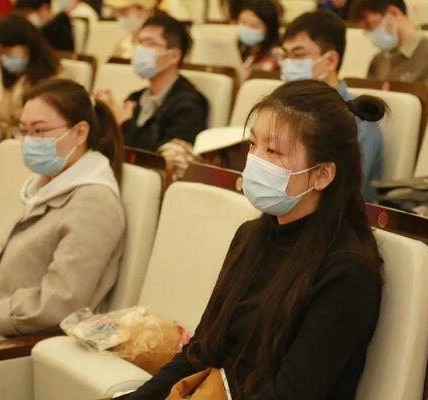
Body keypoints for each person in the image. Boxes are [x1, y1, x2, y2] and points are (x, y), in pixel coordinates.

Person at [127, 78, 383, 400]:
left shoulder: (347, 271)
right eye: (253, 145)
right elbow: (201, 351)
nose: (255, 160)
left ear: (322, 174)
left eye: (273, 151)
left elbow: (292, 394)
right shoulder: (250, 236)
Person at [0, 79, 125, 340]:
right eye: (24, 131)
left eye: (39, 131)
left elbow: (60, 303)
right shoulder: (43, 185)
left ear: (80, 133)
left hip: (19, 341)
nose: (29, 141)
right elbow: (5, 269)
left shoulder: (94, 203)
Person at [282, 10, 384, 202]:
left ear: (330, 60)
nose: (287, 64)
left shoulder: (358, 119)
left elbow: (342, 193)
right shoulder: (285, 108)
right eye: (285, 55)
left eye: (298, 55)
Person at [96, 14, 208, 153]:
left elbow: (162, 159)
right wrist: (107, 116)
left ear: (174, 56)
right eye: (139, 43)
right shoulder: (136, 98)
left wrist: (124, 124)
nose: (140, 50)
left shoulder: (188, 107)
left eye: (150, 44)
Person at [350, 0, 428, 96]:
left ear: (393, 12)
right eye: (366, 30)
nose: (371, 34)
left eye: (371, 24)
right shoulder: (378, 60)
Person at [0, 14, 62, 139]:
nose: (3, 58)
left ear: (28, 46)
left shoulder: (55, 80)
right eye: (0, 53)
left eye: (7, 52)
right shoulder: (16, 76)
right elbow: (3, 115)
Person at [237, 0, 281, 80]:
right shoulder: (242, 49)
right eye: (243, 23)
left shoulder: (275, 56)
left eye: (254, 25)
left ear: (269, 28)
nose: (246, 29)